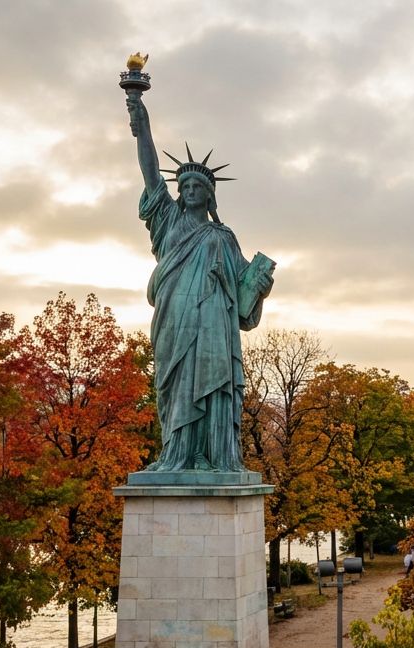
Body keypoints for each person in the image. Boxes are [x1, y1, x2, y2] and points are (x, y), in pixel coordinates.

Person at [125, 83, 274, 474]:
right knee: (173, 387)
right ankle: (176, 455)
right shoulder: (167, 220)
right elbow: (149, 172)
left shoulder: (223, 237)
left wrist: (260, 284)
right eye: (185, 186)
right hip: (174, 320)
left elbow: (245, 294)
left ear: (210, 196)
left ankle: (212, 455)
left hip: (212, 328)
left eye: (198, 187)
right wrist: (142, 122)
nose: (189, 190)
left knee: (213, 387)